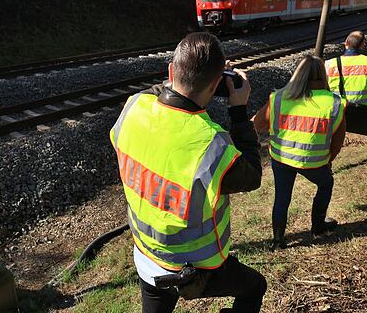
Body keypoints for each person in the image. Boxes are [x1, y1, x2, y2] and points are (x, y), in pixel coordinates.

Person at [110, 32, 267, 313]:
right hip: (198, 268)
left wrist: (198, 73)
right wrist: (239, 110)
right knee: (255, 287)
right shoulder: (212, 145)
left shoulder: (134, 108)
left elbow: (159, 93)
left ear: (171, 72)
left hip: (147, 256)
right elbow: (253, 175)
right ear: (217, 83)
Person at [252, 55, 346, 250]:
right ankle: (318, 227)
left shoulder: (278, 98)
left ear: (297, 73)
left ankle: (278, 241)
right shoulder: (335, 104)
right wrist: (327, 160)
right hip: (315, 162)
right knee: (326, 183)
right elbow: (337, 142)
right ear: (323, 76)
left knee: (282, 197)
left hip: (281, 158)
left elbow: (258, 125)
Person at [324, 31, 367, 159]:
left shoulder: (329, 64)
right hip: (364, 113)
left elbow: (324, 88)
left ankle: (326, 156)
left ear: (345, 44)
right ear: (362, 45)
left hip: (338, 112)